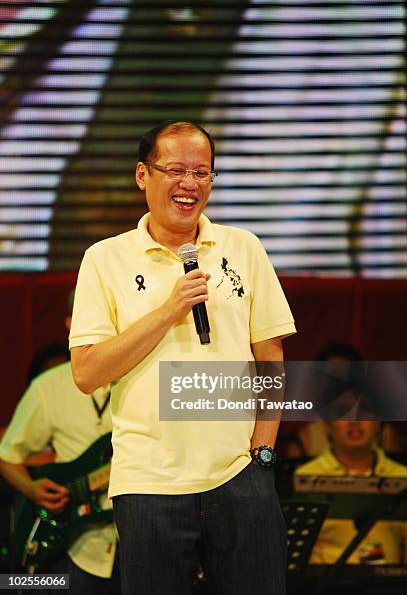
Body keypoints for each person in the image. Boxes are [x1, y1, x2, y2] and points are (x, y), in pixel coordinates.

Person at [69, 120, 296, 595]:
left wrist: (263, 448)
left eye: (202, 172)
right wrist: (169, 309)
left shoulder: (244, 247)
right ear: (141, 175)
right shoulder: (103, 259)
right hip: (148, 481)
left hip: (240, 473)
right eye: (175, 170)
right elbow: (88, 373)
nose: (189, 184)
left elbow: (269, 353)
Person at [0, 291, 120, 594]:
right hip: (78, 547)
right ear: (70, 325)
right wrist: (32, 489)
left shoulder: (146, 379)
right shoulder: (47, 387)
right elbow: (8, 455)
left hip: (142, 539)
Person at [296, 420, 407, 565]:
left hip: (388, 585)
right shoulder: (305, 477)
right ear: (327, 426)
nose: (354, 421)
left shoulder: (404, 477)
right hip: (323, 584)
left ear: (378, 423)